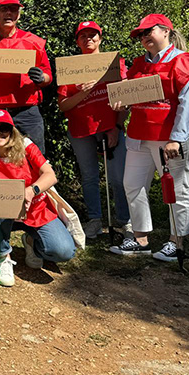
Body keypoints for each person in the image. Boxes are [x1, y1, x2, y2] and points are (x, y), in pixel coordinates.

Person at [110, 14, 189, 261]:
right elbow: (129, 98)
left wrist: (177, 138)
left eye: (149, 31)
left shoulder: (184, 62)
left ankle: (176, 243)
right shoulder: (138, 65)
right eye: (141, 34)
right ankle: (140, 239)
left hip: (169, 139)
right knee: (133, 185)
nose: (144, 37)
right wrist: (120, 106)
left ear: (166, 31)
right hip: (139, 136)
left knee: (176, 190)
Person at [0, 109, 75, 287]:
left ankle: (31, 242)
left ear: (12, 130)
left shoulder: (26, 146)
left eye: (4, 128)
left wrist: (32, 190)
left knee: (63, 252)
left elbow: (50, 175)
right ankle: (4, 256)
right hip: (4, 214)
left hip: (36, 210)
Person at [57, 21, 131, 239]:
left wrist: (116, 127)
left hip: (110, 128)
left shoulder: (114, 63)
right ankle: (95, 220)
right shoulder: (70, 67)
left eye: (93, 35)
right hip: (80, 130)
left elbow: (124, 97)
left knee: (118, 178)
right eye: (83, 35)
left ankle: (125, 221)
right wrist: (82, 93)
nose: (88, 38)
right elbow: (63, 105)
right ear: (77, 41)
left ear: (100, 38)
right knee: (89, 176)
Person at [0, 0, 51, 153]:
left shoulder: (34, 42)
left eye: (14, 9)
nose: (9, 13)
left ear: (19, 14)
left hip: (27, 112)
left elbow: (48, 76)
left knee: (36, 160)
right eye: (4, 9)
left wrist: (41, 77)